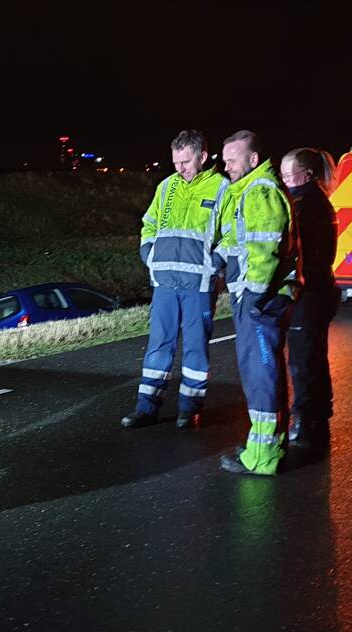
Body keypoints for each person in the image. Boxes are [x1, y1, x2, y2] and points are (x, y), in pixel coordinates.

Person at [121, 130, 229, 429]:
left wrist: (214, 263)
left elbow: (233, 234)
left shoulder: (223, 188)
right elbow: (149, 223)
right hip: (165, 282)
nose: (180, 168)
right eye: (176, 162)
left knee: (196, 348)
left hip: (199, 285)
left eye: (185, 161)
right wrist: (148, 254)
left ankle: (189, 409)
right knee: (158, 345)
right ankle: (146, 408)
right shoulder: (166, 186)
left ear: (202, 156)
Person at [213, 131, 299, 475]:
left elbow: (265, 248)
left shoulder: (260, 191)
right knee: (262, 372)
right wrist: (217, 258)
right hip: (258, 299)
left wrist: (254, 296)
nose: (226, 166)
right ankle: (269, 444)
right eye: (224, 160)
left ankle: (262, 457)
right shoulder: (248, 190)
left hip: (260, 302)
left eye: (232, 159)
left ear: (253, 159)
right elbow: (239, 239)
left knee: (260, 374)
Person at [280, 148, 340, 449]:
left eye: (288, 176)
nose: (284, 182)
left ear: (306, 175)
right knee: (315, 356)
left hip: (309, 292)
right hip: (321, 289)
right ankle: (318, 417)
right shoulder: (318, 200)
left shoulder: (304, 204)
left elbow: (294, 249)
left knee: (303, 361)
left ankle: (304, 423)